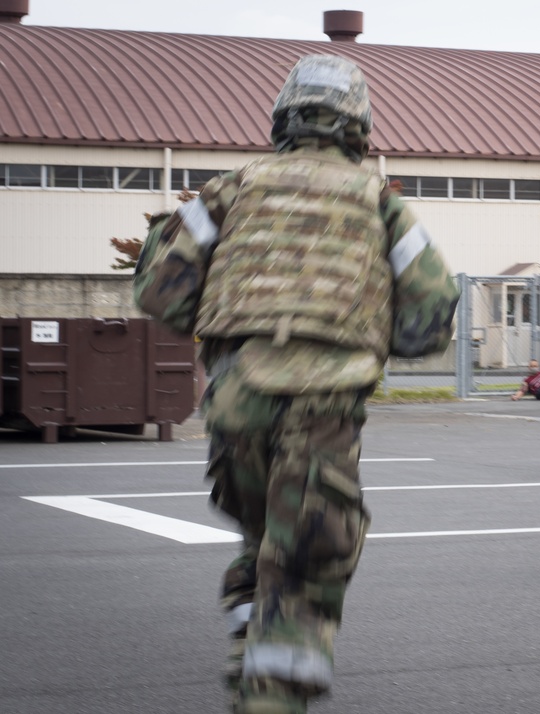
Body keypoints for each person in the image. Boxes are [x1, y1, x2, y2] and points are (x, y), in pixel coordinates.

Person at [132, 55, 459, 714]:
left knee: (262, 536)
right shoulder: (381, 203)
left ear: (283, 115)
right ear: (358, 125)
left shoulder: (231, 189)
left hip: (236, 400)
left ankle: (245, 647)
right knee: (308, 559)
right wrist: (358, 329)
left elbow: (159, 294)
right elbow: (431, 318)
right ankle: (270, 691)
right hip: (323, 406)